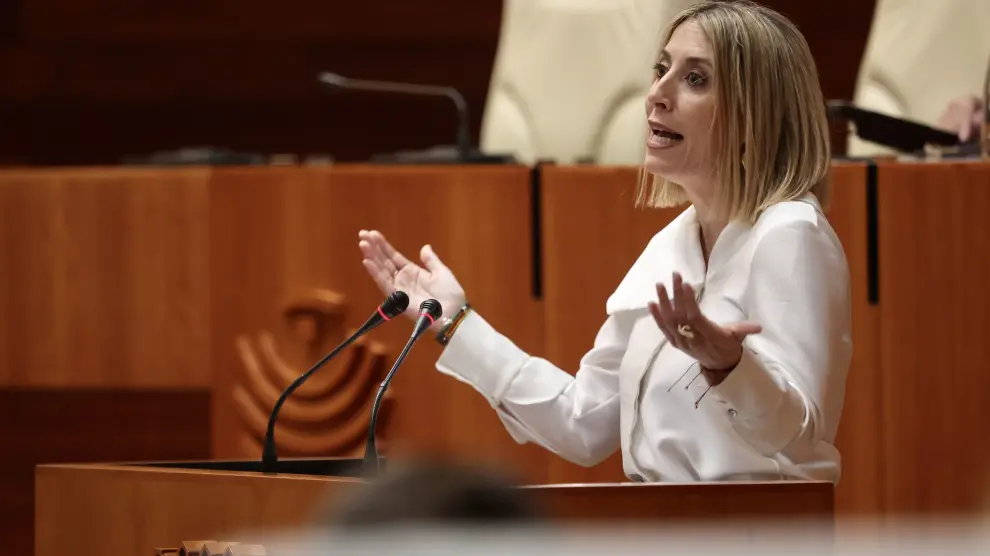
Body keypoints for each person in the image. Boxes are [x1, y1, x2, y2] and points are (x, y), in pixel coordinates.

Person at [357, 0, 852, 484]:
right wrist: (454, 322)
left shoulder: (789, 233)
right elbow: (583, 423)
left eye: (695, 78)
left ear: (755, 115)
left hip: (756, 525)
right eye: (661, 69)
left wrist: (731, 367)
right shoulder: (671, 245)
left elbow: (798, 436)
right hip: (659, 521)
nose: (657, 94)